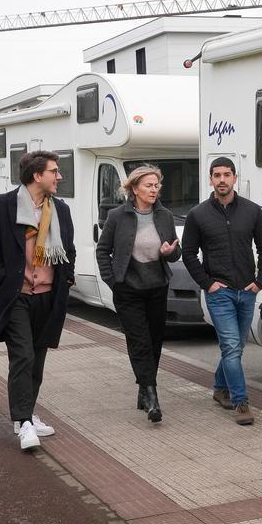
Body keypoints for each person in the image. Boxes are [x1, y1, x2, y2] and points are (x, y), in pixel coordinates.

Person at [0, 151, 76, 451]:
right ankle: (24, 424)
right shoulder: (3, 206)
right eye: (54, 172)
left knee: (37, 361)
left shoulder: (60, 209)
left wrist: (67, 279)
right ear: (37, 176)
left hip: (47, 297)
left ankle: (27, 414)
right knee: (23, 356)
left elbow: (67, 250)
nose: (59, 177)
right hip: (16, 296)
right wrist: (5, 277)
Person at [181, 157, 262, 425]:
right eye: (217, 175)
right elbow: (188, 254)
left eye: (227, 174)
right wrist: (207, 283)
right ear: (210, 179)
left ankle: (220, 388)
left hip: (247, 291)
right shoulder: (198, 215)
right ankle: (240, 402)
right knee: (232, 346)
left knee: (237, 347)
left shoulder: (252, 211)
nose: (222, 179)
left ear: (234, 178)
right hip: (219, 293)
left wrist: (260, 281)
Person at [95, 165, 181, 422]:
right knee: (140, 341)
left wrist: (169, 253)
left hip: (157, 288)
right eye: (148, 185)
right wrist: (113, 281)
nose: (154, 190)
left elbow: (176, 251)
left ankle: (144, 388)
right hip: (128, 290)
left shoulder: (164, 215)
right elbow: (103, 251)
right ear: (134, 189)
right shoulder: (117, 216)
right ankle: (152, 397)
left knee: (155, 341)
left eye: (156, 185)